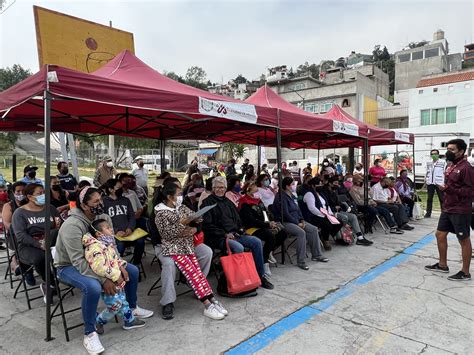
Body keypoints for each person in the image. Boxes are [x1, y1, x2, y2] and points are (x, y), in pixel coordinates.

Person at [54, 186, 153, 354]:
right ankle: (90, 332)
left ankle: (131, 308)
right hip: (69, 265)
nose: (101, 203)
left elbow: (111, 246)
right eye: (96, 201)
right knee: (92, 286)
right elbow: (78, 260)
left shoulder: (103, 217)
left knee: (132, 271)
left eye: (101, 199)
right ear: (84, 205)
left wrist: (119, 264)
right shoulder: (72, 225)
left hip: (101, 259)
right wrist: (104, 279)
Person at [155, 182, 228, 320]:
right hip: (174, 248)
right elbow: (166, 234)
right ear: (170, 197)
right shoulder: (160, 212)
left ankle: (212, 300)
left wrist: (196, 222)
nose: (181, 197)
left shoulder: (181, 207)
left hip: (187, 245)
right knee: (192, 273)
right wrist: (183, 224)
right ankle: (206, 304)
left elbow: (195, 218)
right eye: (178, 194)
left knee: (197, 273)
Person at [201, 176, 274, 289]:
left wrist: (240, 230)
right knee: (238, 247)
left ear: (225, 188)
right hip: (219, 237)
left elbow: (238, 220)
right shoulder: (207, 203)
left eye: (222, 187)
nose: (220, 190)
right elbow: (207, 225)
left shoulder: (228, 202)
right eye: (217, 187)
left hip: (235, 234)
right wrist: (225, 234)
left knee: (256, 242)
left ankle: (260, 276)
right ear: (213, 188)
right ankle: (239, 279)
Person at [84, 219, 145, 332]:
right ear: (99, 233)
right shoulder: (94, 248)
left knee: (122, 301)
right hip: (109, 282)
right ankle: (98, 321)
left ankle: (129, 321)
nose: (111, 229)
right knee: (114, 306)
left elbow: (115, 258)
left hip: (117, 280)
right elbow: (99, 267)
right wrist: (116, 275)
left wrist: (122, 267)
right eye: (107, 228)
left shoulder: (108, 244)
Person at [425, 139, 474, 281]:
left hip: (460, 209)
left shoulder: (467, 168)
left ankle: (465, 272)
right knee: (440, 234)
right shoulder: (450, 165)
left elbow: (470, 192)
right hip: (448, 207)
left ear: (461, 151)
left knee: (463, 239)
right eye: (448, 149)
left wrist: (448, 189)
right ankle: (442, 265)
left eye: (452, 149)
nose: (448, 152)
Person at [11, 183, 60, 303]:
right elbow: (21, 235)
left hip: (51, 241)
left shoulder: (51, 208)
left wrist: (58, 225)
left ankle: (56, 280)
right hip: (29, 245)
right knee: (41, 258)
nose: (43, 195)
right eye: (39, 194)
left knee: (58, 241)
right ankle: (50, 283)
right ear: (30, 197)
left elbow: (59, 225)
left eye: (44, 192)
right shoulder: (20, 213)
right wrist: (39, 244)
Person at [272, 177, 326, 270]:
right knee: (301, 232)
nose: (294, 186)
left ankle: (317, 255)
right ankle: (301, 261)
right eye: (292, 184)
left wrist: (301, 220)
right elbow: (285, 214)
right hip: (285, 222)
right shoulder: (281, 196)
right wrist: (297, 223)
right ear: (287, 186)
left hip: (296, 220)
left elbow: (298, 209)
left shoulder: (291, 195)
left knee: (313, 229)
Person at [238, 182, 287, 275]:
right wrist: (267, 225)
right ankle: (265, 262)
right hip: (251, 227)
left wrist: (269, 222)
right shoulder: (244, 203)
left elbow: (265, 212)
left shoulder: (258, 200)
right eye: (255, 189)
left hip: (263, 224)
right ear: (248, 191)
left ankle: (268, 251)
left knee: (283, 233)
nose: (257, 191)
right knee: (270, 236)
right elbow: (251, 220)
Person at [102, 179, 145, 267]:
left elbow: (132, 216)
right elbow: (103, 221)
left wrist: (130, 228)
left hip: (128, 232)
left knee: (140, 242)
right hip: (114, 234)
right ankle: (117, 266)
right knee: (119, 247)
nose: (121, 189)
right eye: (118, 187)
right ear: (110, 189)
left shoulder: (125, 200)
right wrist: (115, 231)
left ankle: (136, 264)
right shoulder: (104, 202)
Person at [320, 177, 373, 246]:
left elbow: (338, 202)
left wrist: (343, 206)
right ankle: (340, 237)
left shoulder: (333, 191)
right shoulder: (324, 192)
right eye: (335, 183)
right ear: (330, 184)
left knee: (353, 216)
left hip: (338, 210)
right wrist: (334, 207)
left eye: (338, 183)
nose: (337, 184)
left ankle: (360, 238)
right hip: (330, 212)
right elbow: (324, 205)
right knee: (344, 217)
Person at [299, 176, 342, 250]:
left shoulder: (321, 194)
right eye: (318, 185)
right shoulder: (309, 194)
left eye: (321, 184)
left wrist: (330, 214)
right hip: (312, 216)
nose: (320, 186)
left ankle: (324, 235)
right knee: (327, 224)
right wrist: (323, 215)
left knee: (339, 222)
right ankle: (325, 240)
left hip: (324, 214)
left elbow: (326, 205)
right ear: (313, 185)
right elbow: (312, 208)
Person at [2, 181, 27, 276]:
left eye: (23, 191)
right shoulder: (9, 206)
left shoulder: (32, 203)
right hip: (16, 234)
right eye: (18, 191)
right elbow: (7, 224)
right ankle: (24, 267)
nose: (21, 193)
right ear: (13, 193)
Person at [424, 149, 446, 218]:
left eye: (435, 154)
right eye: (432, 154)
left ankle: (444, 213)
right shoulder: (429, 162)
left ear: (438, 154)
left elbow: (445, 172)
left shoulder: (443, 162)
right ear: (431, 155)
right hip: (430, 183)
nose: (434, 155)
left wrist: (444, 182)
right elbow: (427, 172)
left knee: (441, 198)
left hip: (439, 183)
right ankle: (428, 213)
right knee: (429, 198)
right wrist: (426, 180)